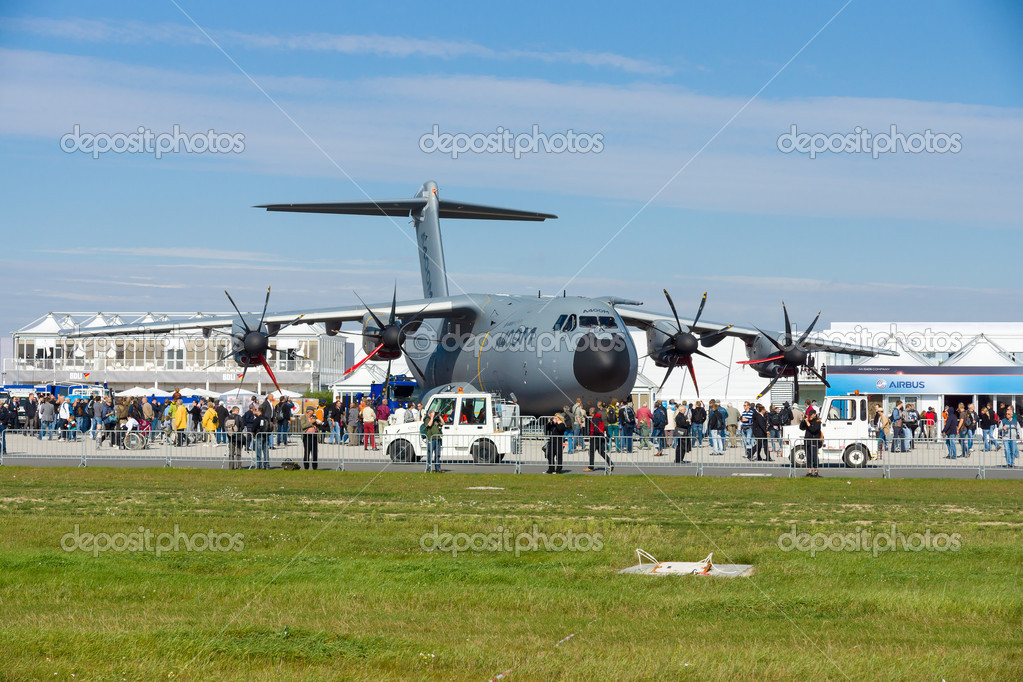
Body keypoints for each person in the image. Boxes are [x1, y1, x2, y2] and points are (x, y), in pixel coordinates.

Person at [584, 407, 613, 472]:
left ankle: (591, 467)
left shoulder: (595, 419)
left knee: (591, 452)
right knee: (601, 452)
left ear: (592, 413)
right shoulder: (600, 418)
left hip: (595, 437)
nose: (589, 413)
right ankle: (611, 463)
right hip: (599, 436)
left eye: (589, 412)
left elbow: (596, 429)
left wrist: (592, 435)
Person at [799, 409, 822, 477]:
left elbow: (813, 430)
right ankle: (809, 471)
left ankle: (816, 471)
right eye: (809, 415)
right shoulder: (808, 421)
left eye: (811, 415)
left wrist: (808, 423)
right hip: (807, 441)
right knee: (808, 457)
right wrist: (804, 420)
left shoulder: (817, 422)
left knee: (814, 457)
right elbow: (801, 427)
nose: (810, 416)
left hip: (814, 441)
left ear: (814, 414)